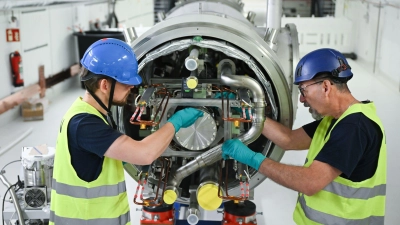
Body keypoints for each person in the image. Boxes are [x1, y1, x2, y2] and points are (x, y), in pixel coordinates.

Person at [222, 48, 386, 224]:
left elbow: (310, 182)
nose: (301, 99)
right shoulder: (336, 120)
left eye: (303, 89)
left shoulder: (355, 128)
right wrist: (247, 112)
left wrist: (253, 159)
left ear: (325, 87)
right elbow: (289, 139)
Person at [49, 38, 203, 225]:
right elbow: (144, 154)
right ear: (104, 85)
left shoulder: (94, 113)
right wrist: (176, 122)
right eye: (125, 82)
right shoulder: (85, 125)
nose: (132, 86)